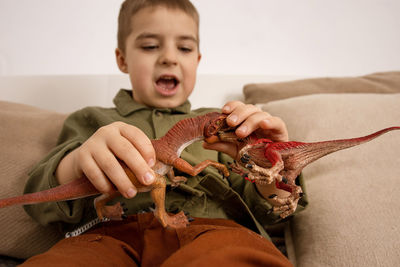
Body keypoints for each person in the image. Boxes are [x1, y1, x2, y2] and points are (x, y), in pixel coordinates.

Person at [21, 0, 307, 266]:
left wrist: (274, 160)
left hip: (212, 230)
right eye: (149, 46)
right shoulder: (91, 120)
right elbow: (40, 197)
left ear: (197, 60)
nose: (169, 58)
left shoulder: (223, 122)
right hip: (108, 235)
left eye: (184, 48)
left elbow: (267, 209)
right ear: (122, 60)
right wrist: (77, 161)